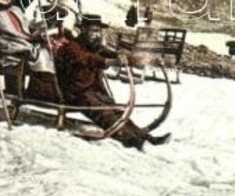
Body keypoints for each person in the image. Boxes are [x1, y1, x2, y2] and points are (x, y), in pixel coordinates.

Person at [54, 15, 170, 151]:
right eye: (94, 31)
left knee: (117, 111)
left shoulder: (95, 47)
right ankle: (132, 140)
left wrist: (147, 61)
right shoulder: (71, 47)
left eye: (99, 31)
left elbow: (115, 55)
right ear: (82, 31)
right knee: (105, 113)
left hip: (92, 90)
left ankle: (145, 136)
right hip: (75, 93)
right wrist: (109, 62)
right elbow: (86, 59)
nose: (97, 35)